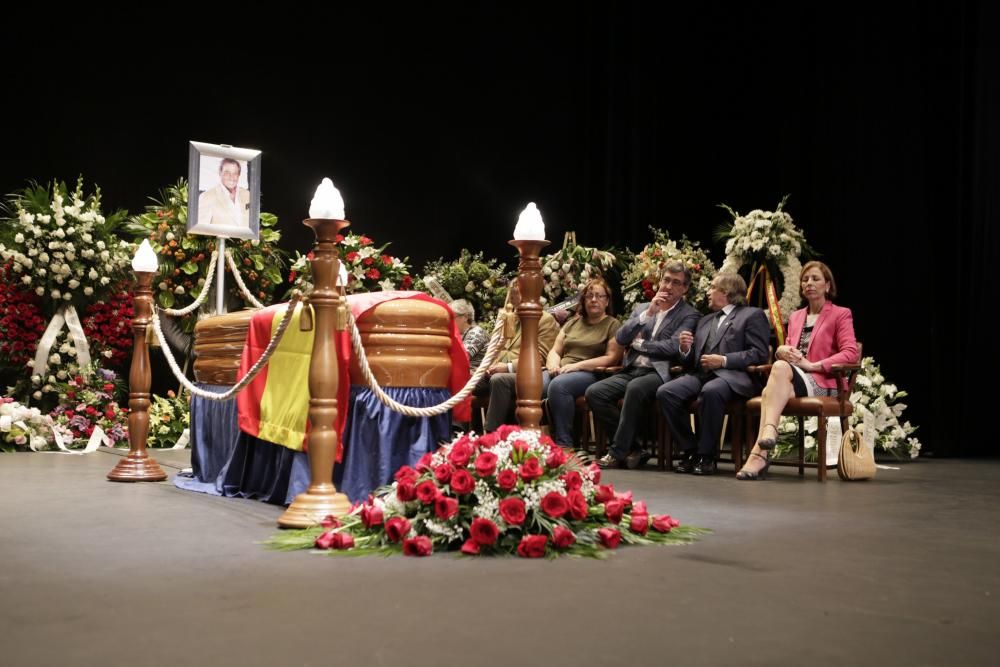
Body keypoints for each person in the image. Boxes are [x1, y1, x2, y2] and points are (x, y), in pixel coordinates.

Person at [736, 260, 860, 480]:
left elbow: (851, 352)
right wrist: (781, 350)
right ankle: (761, 451)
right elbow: (791, 348)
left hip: (824, 382)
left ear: (828, 286)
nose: (809, 283)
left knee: (770, 388)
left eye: (815, 279)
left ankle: (762, 445)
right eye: (805, 279)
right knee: (774, 381)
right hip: (794, 380)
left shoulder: (840, 314)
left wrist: (814, 366)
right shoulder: (795, 316)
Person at [587, 261, 700, 469]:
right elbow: (621, 338)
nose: (668, 286)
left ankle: (617, 452)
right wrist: (648, 313)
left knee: (635, 388)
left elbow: (672, 347)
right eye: (666, 280)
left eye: (676, 283)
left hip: (661, 373)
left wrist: (640, 344)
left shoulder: (689, 314)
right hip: (632, 369)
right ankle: (633, 448)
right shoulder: (642, 308)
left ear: (684, 289)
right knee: (595, 392)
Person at [657, 272, 769, 475]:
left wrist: (724, 360)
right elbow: (691, 361)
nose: (708, 292)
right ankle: (691, 450)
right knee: (666, 392)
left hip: (732, 377)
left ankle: (707, 456)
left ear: (726, 292)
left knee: (711, 390)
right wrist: (685, 349)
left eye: (712, 288)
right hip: (700, 374)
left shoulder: (751, 315)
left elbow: (759, 353)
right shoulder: (705, 320)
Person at [544, 278, 623, 449]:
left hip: (592, 373)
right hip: (562, 369)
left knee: (559, 386)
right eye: (589, 296)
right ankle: (535, 442)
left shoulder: (612, 324)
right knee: (534, 384)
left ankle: (564, 445)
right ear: (584, 300)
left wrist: (577, 366)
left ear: (607, 301)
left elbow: (611, 358)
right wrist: (553, 365)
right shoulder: (572, 323)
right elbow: (555, 350)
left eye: (599, 296)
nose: (593, 300)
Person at [475, 280, 559, 432]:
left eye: (520, 294)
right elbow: (497, 347)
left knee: (498, 380)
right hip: (498, 369)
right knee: (467, 380)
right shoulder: (509, 319)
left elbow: (541, 357)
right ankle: (464, 432)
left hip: (529, 374)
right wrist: (491, 365)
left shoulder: (544, 319)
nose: (516, 299)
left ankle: (490, 435)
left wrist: (507, 367)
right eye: (513, 295)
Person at [198, 158, 250, 227]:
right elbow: (200, 229)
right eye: (227, 173)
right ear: (220, 173)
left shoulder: (248, 195)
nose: (231, 177)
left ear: (239, 175)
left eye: (235, 173)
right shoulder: (207, 196)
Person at [452, 299, 488, 373]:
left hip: (475, 377)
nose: (449, 321)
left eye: (452, 317)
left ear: (465, 317)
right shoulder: (465, 333)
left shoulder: (476, 332)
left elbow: (461, 358)